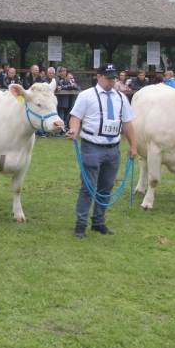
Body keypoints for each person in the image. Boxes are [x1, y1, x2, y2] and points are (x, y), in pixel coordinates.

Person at [65, 63, 138, 239]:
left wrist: (133, 145)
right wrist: (74, 130)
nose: (111, 81)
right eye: (108, 77)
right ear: (98, 77)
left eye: (113, 78)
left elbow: (127, 123)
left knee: (106, 187)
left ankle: (99, 222)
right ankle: (80, 224)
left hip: (113, 148)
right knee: (88, 187)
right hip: (92, 146)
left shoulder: (121, 98)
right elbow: (76, 116)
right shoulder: (86, 96)